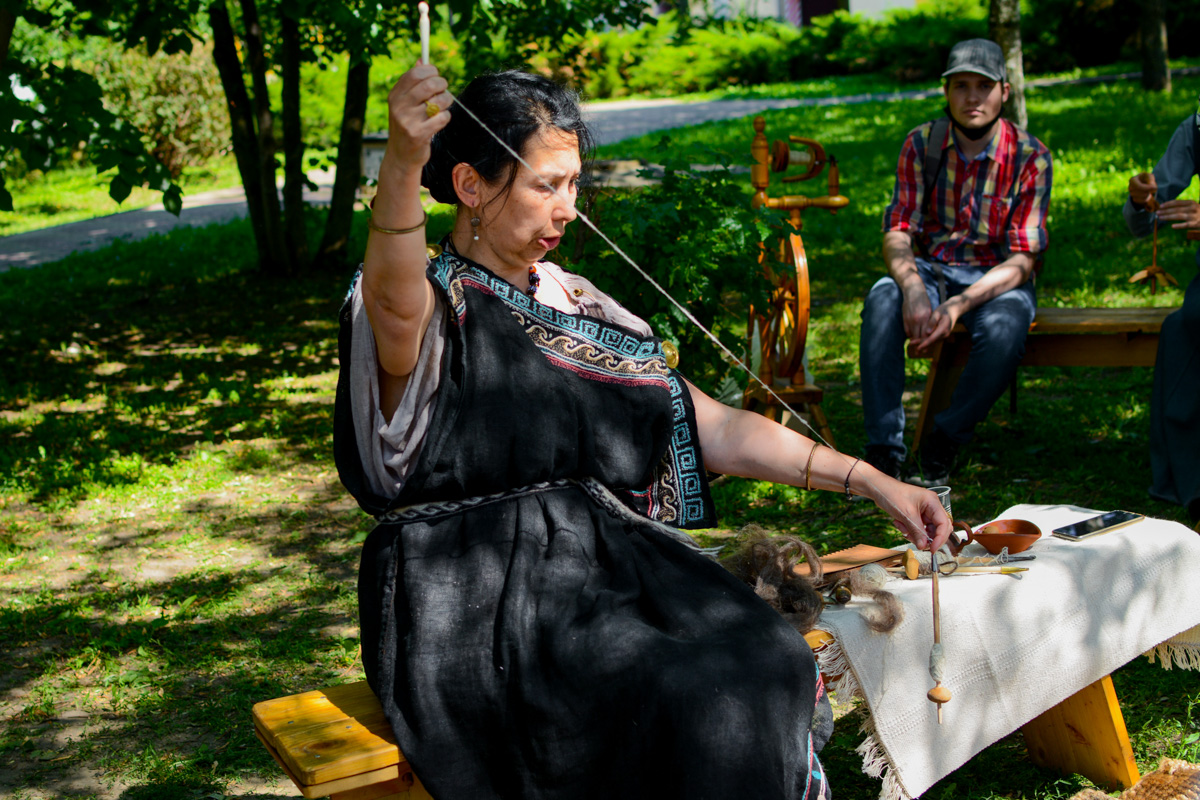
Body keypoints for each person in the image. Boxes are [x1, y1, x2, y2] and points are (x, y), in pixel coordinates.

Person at [334, 62, 952, 800]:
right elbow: (393, 299)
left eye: (574, 185)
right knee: (692, 697)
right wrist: (403, 159)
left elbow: (710, 424)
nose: (567, 208)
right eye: (545, 185)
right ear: (471, 186)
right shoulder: (431, 306)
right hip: (474, 596)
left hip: (606, 573)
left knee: (769, 659)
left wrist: (873, 479)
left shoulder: (582, 303)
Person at [859, 38, 1053, 486]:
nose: (971, 97)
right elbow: (897, 231)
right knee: (882, 300)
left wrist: (957, 308)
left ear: (1004, 92)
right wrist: (911, 289)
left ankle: (945, 438)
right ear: (945, 91)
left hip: (996, 277)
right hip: (930, 269)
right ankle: (883, 451)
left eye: (983, 86)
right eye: (960, 85)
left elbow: (1024, 260)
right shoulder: (921, 144)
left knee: (1008, 328)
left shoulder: (1030, 157)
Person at [1124, 103, 1200, 527]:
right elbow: (1147, 216)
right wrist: (1141, 199)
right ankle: (1188, 482)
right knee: (1181, 328)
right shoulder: (1196, 127)